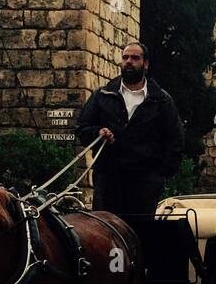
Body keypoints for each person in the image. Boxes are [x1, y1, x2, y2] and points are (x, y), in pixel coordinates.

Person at [76, 42, 185, 216]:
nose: (129, 61)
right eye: (125, 57)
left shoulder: (162, 100)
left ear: (146, 64)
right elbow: (82, 128)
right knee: (106, 235)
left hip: (144, 185)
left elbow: (175, 140)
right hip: (108, 181)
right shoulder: (102, 95)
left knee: (139, 236)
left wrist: (158, 177)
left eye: (135, 58)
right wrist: (98, 133)